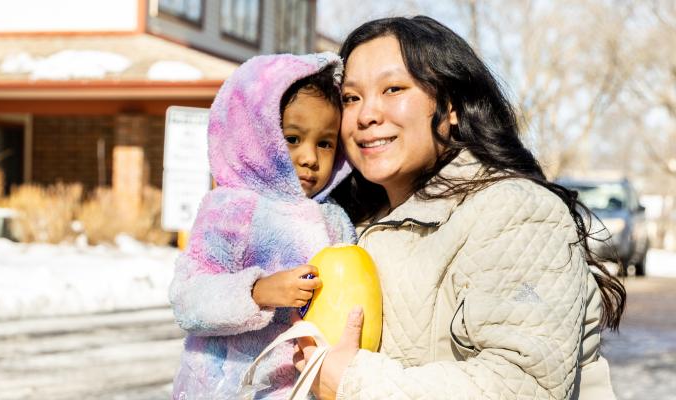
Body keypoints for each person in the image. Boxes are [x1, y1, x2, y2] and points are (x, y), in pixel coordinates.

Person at [291, 16, 626, 399]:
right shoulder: (351, 224)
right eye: (352, 97)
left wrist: (352, 382)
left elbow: (526, 385)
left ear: (450, 106)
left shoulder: (514, 212)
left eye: (393, 89)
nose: (367, 114)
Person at [169, 53, 356, 399]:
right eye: (293, 138)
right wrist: (257, 292)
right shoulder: (232, 209)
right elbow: (187, 298)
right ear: (255, 134)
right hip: (223, 387)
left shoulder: (335, 222)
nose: (310, 158)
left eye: (325, 143)